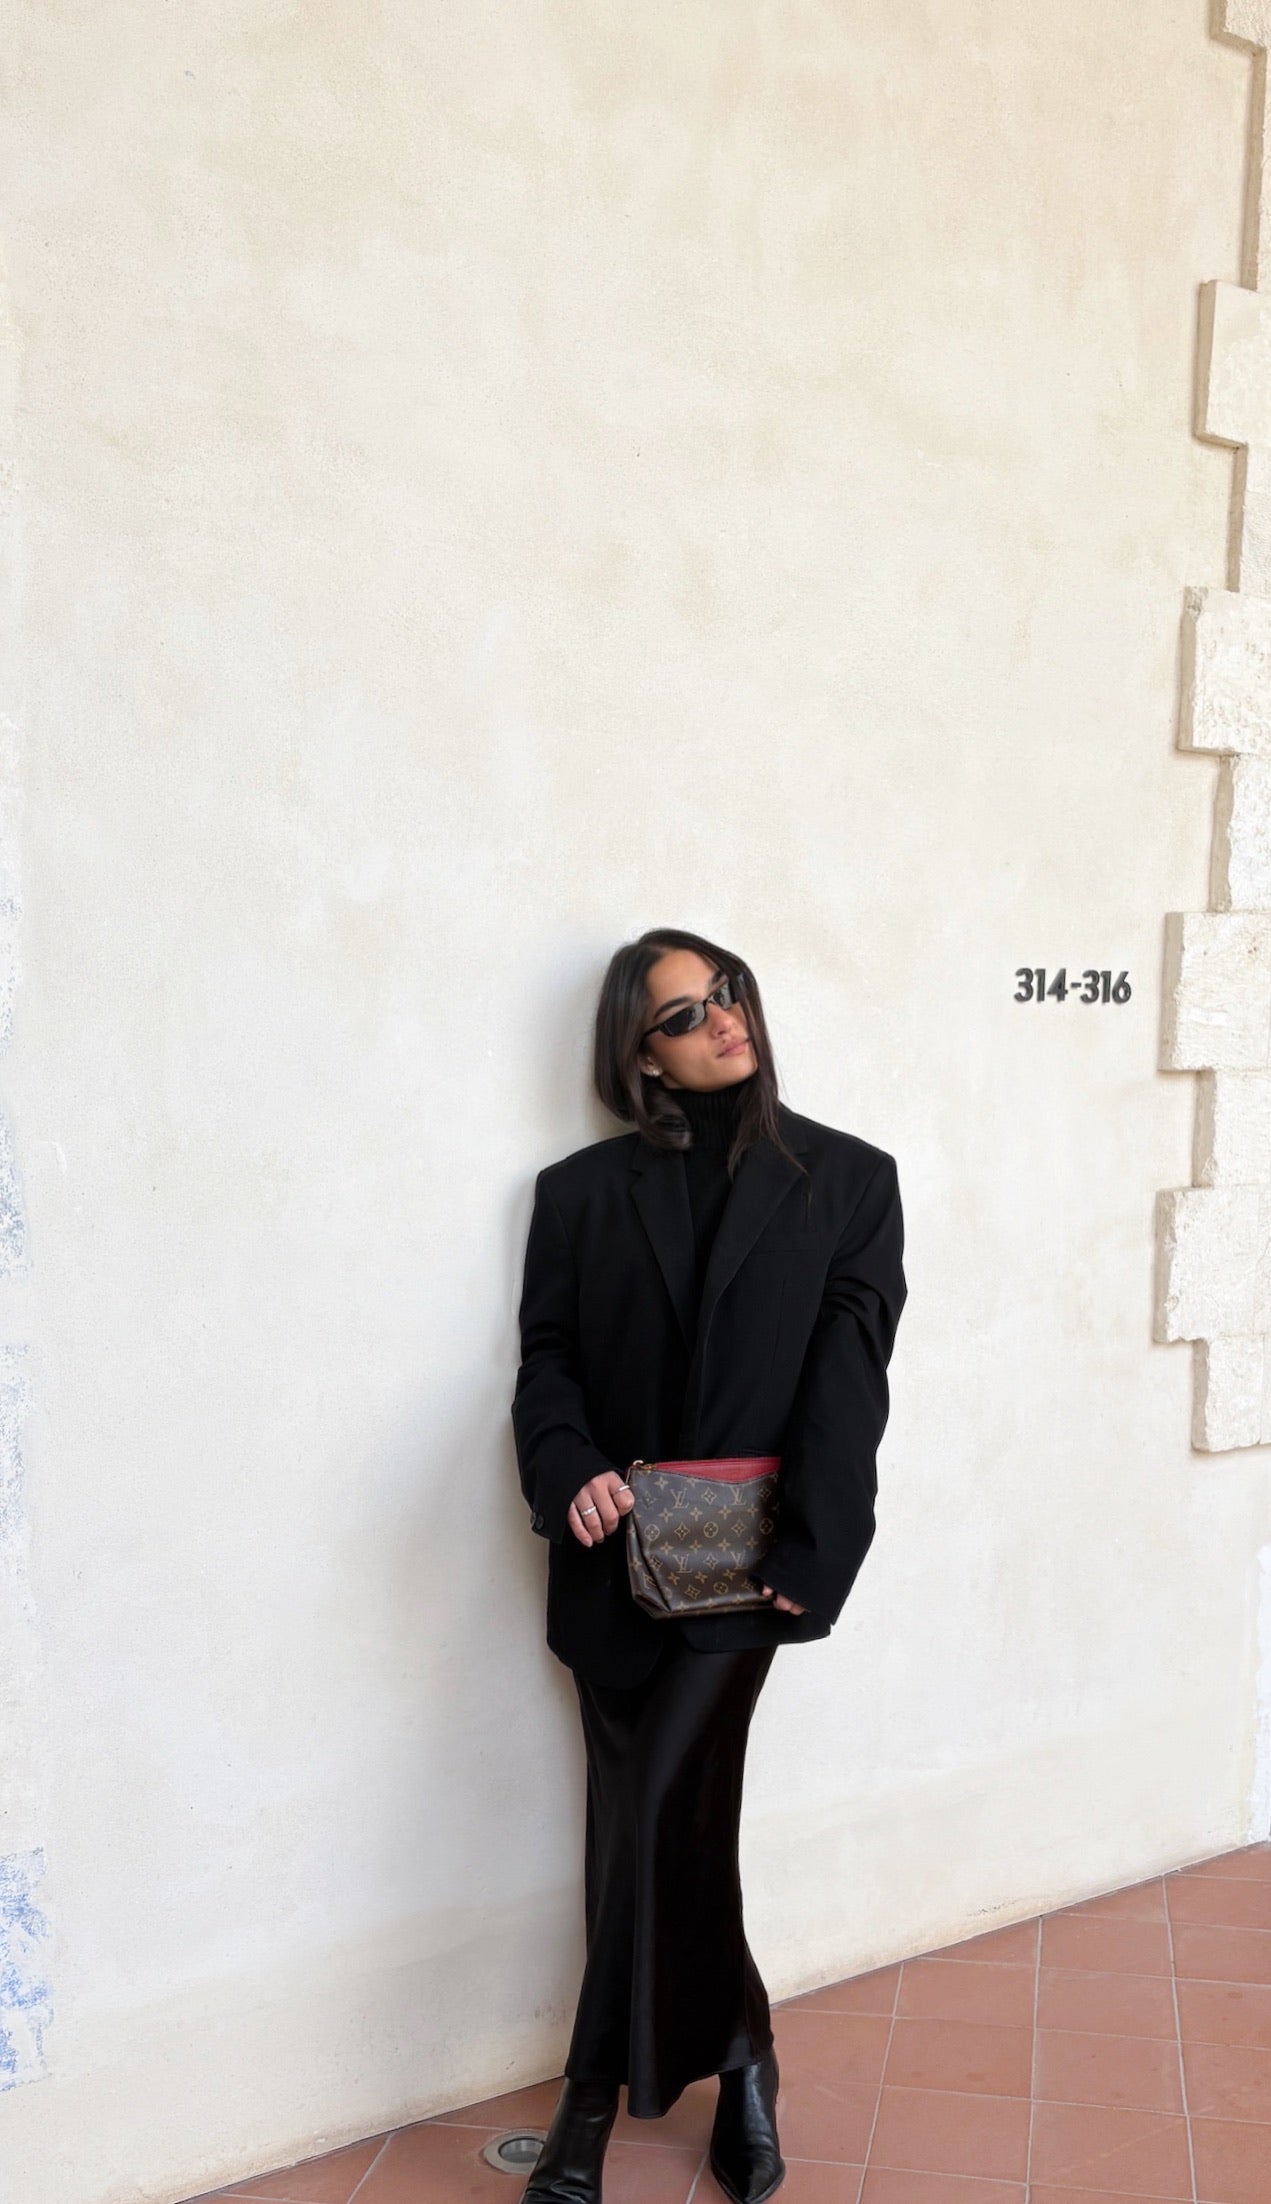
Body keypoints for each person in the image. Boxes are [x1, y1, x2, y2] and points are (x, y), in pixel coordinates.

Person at [511, 928, 907, 2204]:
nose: (721, 1017)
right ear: (642, 1055)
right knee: (659, 1821)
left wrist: (821, 1544)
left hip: (748, 1562)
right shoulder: (577, 1192)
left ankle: (586, 2101)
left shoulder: (847, 1179)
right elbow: (546, 1357)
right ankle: (741, 2056)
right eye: (683, 1012)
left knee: (653, 1809)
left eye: (725, 990)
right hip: (611, 1551)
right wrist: (568, 1465)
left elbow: (848, 1381)